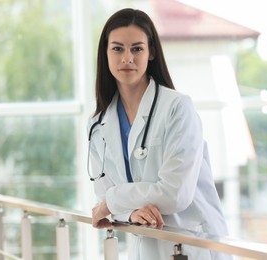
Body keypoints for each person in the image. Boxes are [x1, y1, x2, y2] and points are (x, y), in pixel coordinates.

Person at [87, 8, 231, 260]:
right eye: (118, 48)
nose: (127, 58)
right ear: (106, 53)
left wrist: (112, 202)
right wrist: (130, 213)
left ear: (151, 52)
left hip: (192, 244)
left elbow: (175, 194)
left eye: (137, 48)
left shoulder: (177, 108)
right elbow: (104, 194)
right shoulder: (98, 123)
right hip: (147, 246)